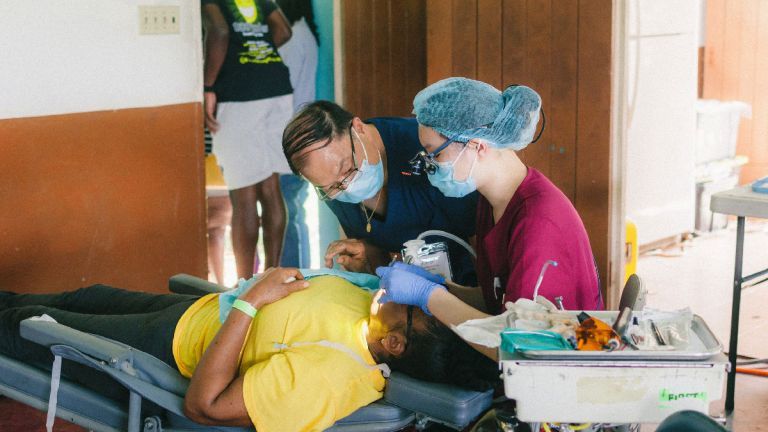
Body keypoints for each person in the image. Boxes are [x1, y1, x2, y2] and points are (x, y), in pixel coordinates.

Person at [0, 268, 498, 431]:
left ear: (394, 344)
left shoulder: (328, 379)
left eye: (418, 310)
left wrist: (252, 303)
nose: (409, 298)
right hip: (196, 311)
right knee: (78, 297)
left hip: (168, 347)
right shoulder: (370, 305)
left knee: (25, 327)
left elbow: (206, 405)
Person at [377, 78, 603, 359]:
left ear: (477, 146)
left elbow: (519, 350)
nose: (429, 165)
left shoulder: (538, 223)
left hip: (565, 373)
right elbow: (498, 300)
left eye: (434, 154)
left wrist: (429, 296)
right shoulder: (492, 202)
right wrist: (443, 288)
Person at [281, 101, 479, 285]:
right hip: (421, 293)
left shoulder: (424, 146)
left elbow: (482, 234)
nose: (346, 186)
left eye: (348, 169)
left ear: (358, 128)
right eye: (331, 187)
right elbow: (383, 255)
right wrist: (367, 258)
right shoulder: (332, 188)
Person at [202, 0, 294, 278]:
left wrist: (208, 85)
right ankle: (272, 273)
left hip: (238, 95)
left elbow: (219, 30)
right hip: (276, 87)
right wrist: (256, 57)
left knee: (243, 194)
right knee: (270, 186)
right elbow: (283, 30)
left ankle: (245, 282)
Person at [276, 0, 320, 267]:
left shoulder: (292, 39)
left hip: (287, 136)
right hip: (297, 134)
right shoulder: (305, 33)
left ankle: (293, 274)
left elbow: (281, 92)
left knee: (288, 215)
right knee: (293, 213)